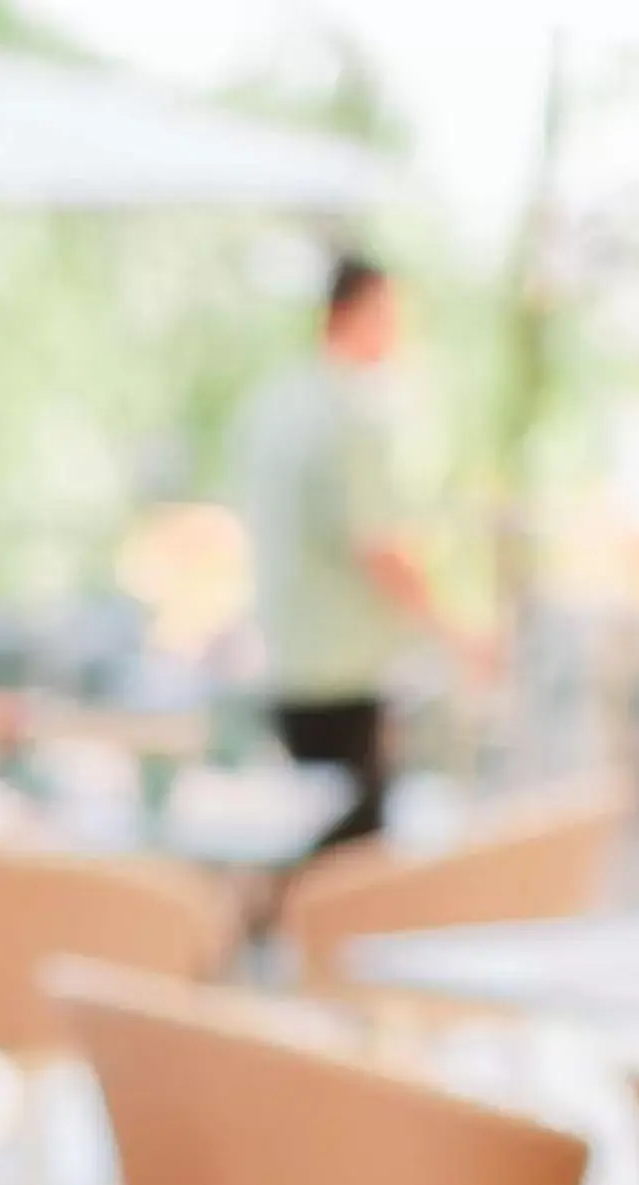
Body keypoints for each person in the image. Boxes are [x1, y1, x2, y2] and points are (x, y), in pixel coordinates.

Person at [237, 250, 477, 852]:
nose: (399, 335)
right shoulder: (353, 416)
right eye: (391, 316)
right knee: (353, 865)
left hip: (288, 661)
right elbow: (380, 548)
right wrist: (456, 633)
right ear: (354, 312)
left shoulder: (275, 406)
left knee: (310, 847)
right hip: (347, 674)